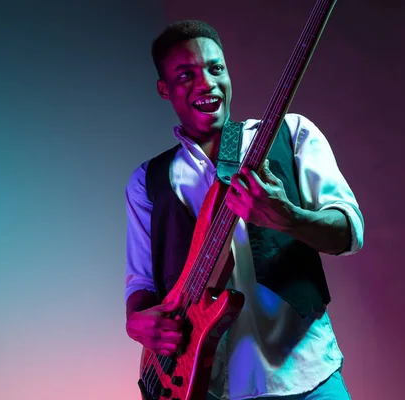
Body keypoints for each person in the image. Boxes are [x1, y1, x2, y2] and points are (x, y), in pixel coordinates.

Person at [124, 20, 364, 400]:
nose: (206, 83)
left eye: (215, 68)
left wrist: (288, 217)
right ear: (164, 89)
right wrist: (136, 323)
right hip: (207, 383)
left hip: (307, 372)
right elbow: (142, 286)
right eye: (186, 75)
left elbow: (349, 232)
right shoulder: (146, 181)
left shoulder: (290, 133)